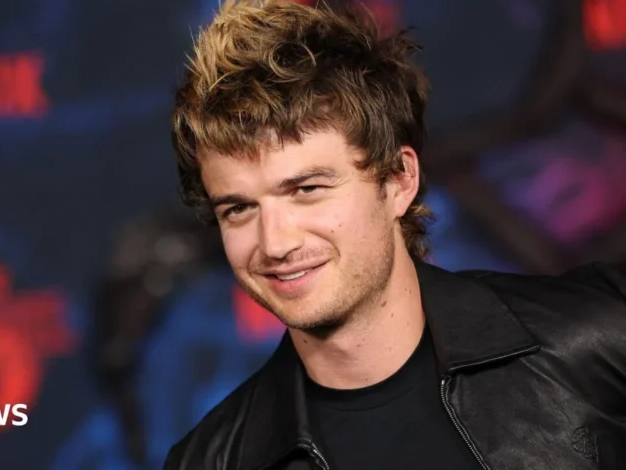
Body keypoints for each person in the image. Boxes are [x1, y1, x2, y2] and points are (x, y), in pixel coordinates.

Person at [163, 1, 626, 468]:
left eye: (307, 190)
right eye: (239, 209)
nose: (276, 243)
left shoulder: (596, 341)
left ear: (399, 180)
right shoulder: (211, 462)